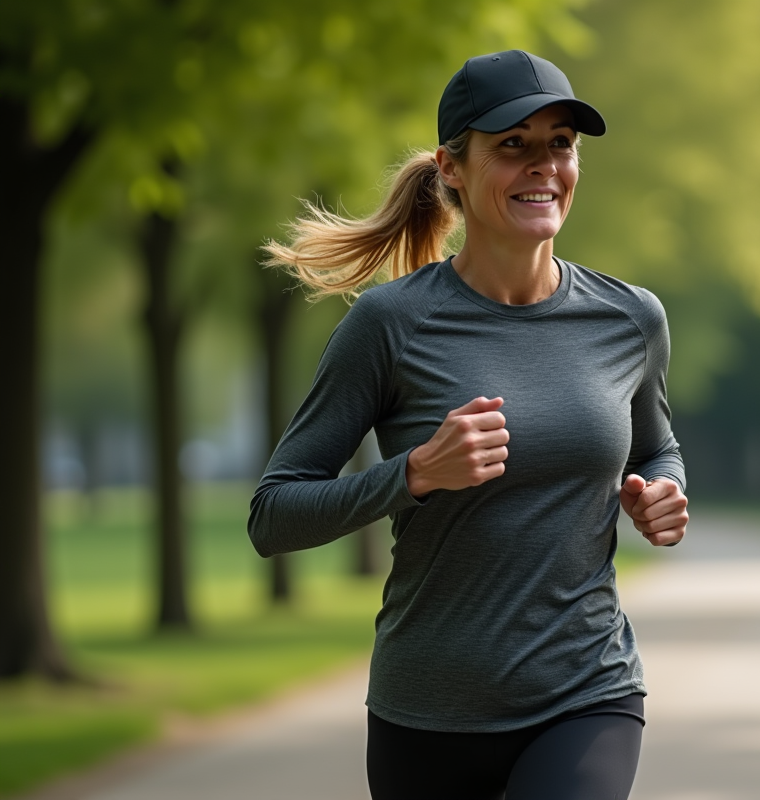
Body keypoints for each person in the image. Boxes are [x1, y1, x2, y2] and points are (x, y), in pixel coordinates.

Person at [249, 50, 688, 800]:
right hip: (426, 715)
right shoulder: (391, 324)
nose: (543, 165)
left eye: (560, 144)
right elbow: (273, 515)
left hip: (586, 692)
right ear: (451, 168)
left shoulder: (630, 319)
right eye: (512, 144)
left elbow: (657, 448)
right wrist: (414, 474)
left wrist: (662, 491)